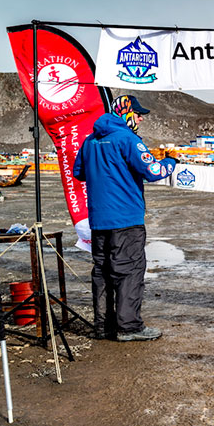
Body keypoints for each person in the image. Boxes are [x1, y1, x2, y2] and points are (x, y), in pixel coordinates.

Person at [73, 95, 178, 342]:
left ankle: (103, 326)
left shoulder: (90, 141)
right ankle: (129, 327)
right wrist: (171, 162)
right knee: (129, 271)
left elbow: (79, 173)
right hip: (126, 220)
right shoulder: (127, 139)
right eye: (138, 114)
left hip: (98, 221)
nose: (140, 119)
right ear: (127, 113)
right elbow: (154, 172)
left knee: (102, 271)